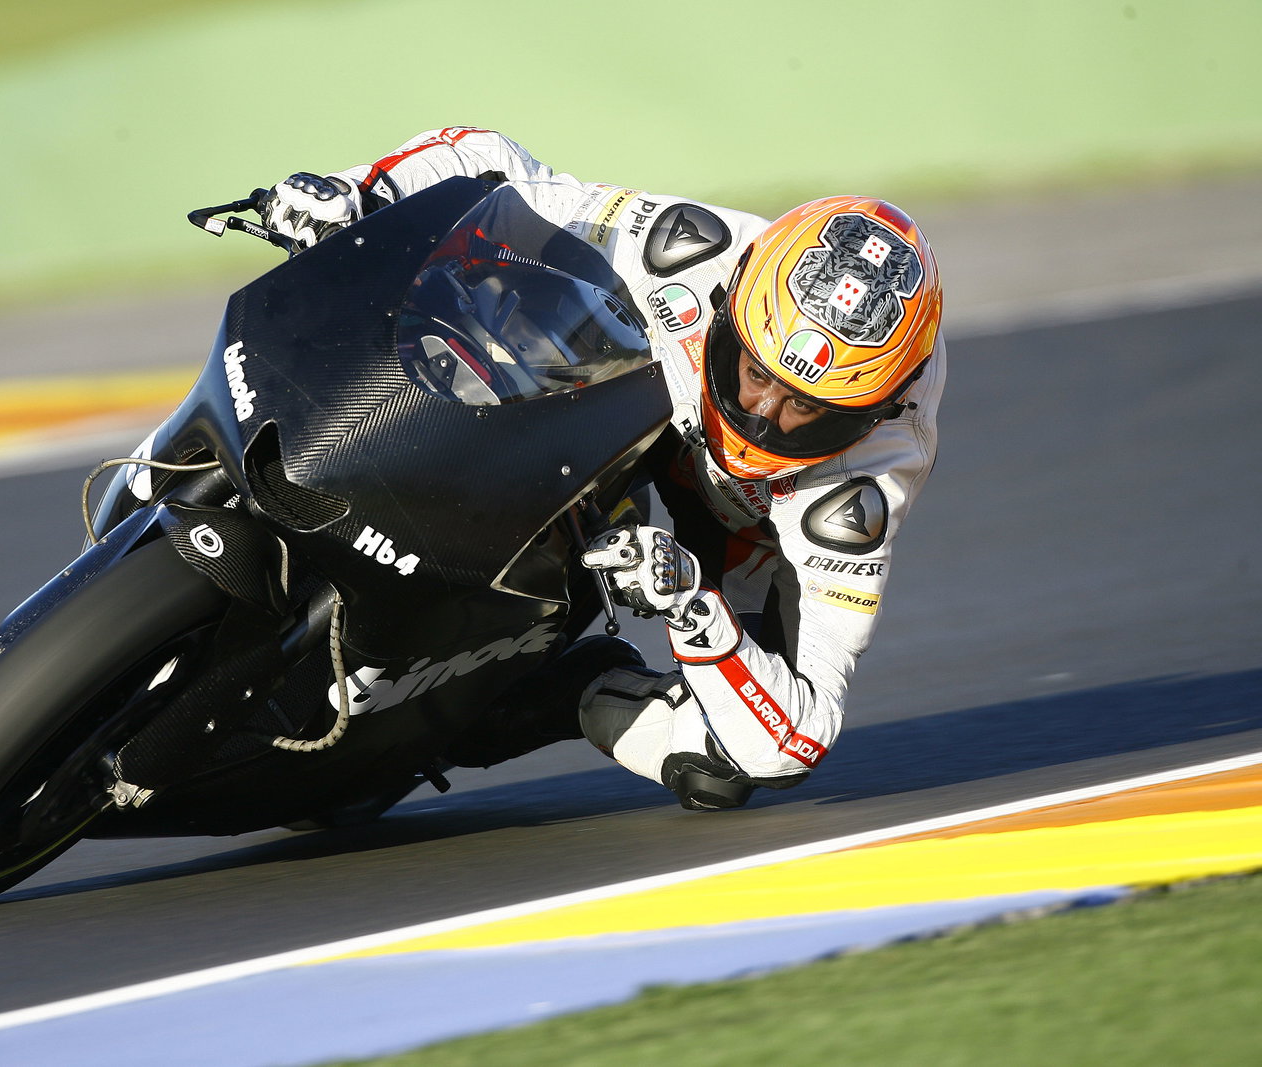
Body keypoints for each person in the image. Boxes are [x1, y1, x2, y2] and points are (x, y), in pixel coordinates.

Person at [261, 127, 944, 811]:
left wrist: (692, 604)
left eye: (807, 411)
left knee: (723, 763)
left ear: (872, 415)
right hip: (636, 395)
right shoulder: (691, 250)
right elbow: (498, 167)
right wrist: (359, 189)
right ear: (732, 303)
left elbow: (801, 731)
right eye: (755, 373)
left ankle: (568, 691)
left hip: (744, 521)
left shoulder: (863, 482)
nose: (762, 413)